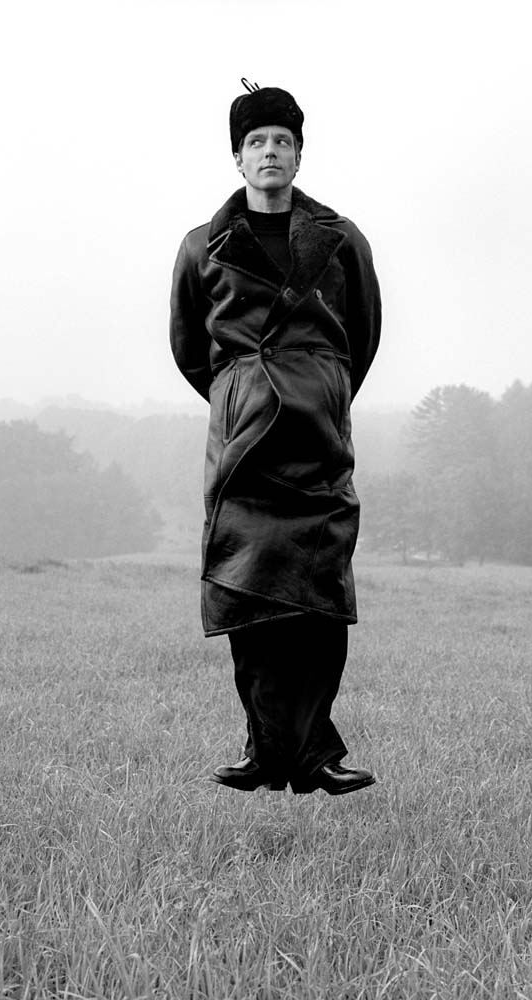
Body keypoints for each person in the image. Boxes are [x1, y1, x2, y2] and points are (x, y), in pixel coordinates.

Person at [169, 80, 381, 795]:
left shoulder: (341, 239)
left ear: (298, 154)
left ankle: (317, 753)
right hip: (242, 450)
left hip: (318, 440)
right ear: (237, 157)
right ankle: (267, 751)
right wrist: (244, 395)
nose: (270, 153)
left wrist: (318, 387)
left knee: (320, 596)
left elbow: (364, 336)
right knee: (248, 599)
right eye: (257, 142)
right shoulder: (202, 246)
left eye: (282, 142)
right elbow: (192, 349)